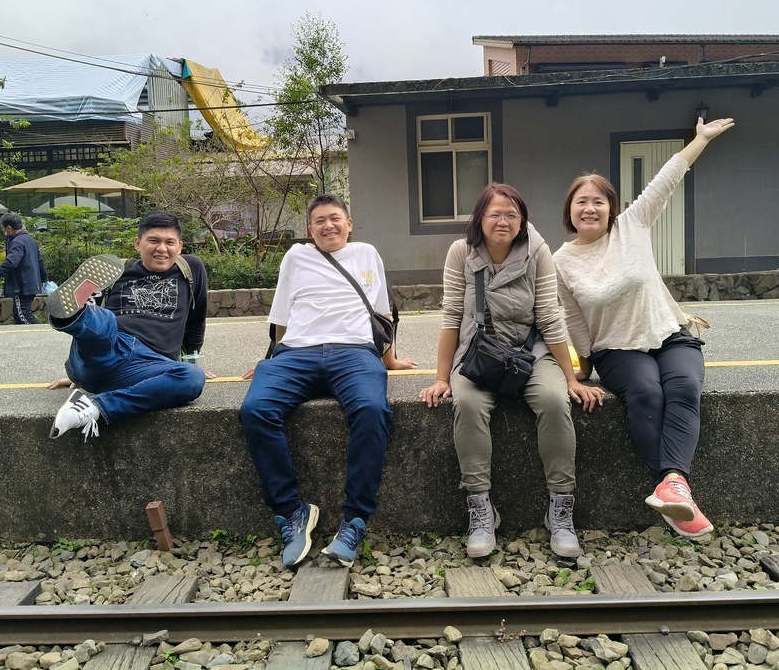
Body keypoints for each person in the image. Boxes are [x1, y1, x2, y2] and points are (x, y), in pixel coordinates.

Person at [553, 116, 735, 539]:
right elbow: (574, 319)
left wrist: (700, 140)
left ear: (610, 207)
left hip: (669, 332)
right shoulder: (561, 261)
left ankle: (673, 484)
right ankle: (678, 493)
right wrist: (580, 369)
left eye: (598, 200)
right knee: (647, 392)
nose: (590, 207)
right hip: (615, 349)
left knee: (685, 389)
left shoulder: (631, 226)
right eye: (581, 201)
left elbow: (666, 178)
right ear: (569, 212)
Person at [418, 184, 603, 560]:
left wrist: (569, 378)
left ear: (522, 221)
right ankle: (480, 508)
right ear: (480, 219)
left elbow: (551, 318)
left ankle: (561, 508)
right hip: (480, 355)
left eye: (511, 215)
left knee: (553, 400)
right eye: (494, 214)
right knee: (467, 404)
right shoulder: (461, 253)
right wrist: (441, 378)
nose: (503, 221)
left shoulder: (538, 252)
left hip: (529, 351)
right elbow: (452, 315)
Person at [239, 194, 416, 569]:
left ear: (349, 224)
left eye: (335, 218)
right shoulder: (296, 257)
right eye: (319, 221)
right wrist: (271, 362)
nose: (328, 226)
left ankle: (354, 520)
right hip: (296, 353)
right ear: (309, 230)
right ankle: (291, 512)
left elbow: (382, 315)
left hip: (354, 351)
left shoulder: (367, 254)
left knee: (371, 410)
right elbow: (282, 317)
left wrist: (391, 360)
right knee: (256, 409)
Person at [46, 211, 211, 441]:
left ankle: (93, 407)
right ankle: (70, 315)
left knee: (193, 378)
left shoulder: (190, 269)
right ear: (138, 243)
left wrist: (192, 360)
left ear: (180, 246)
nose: (162, 248)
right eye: (153, 241)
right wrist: (81, 371)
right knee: (105, 321)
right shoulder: (118, 270)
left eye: (169, 242)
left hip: (146, 366)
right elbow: (98, 332)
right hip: (108, 347)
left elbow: (196, 321)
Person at [0, 213, 47, 325]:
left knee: (23, 314)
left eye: (3, 228)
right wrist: (43, 279)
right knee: (18, 315)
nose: (3, 231)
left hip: (22, 285)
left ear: (9, 228)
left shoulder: (17, 242)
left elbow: (11, 262)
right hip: (32, 283)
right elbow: (40, 262)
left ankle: (43, 333)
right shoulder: (30, 240)